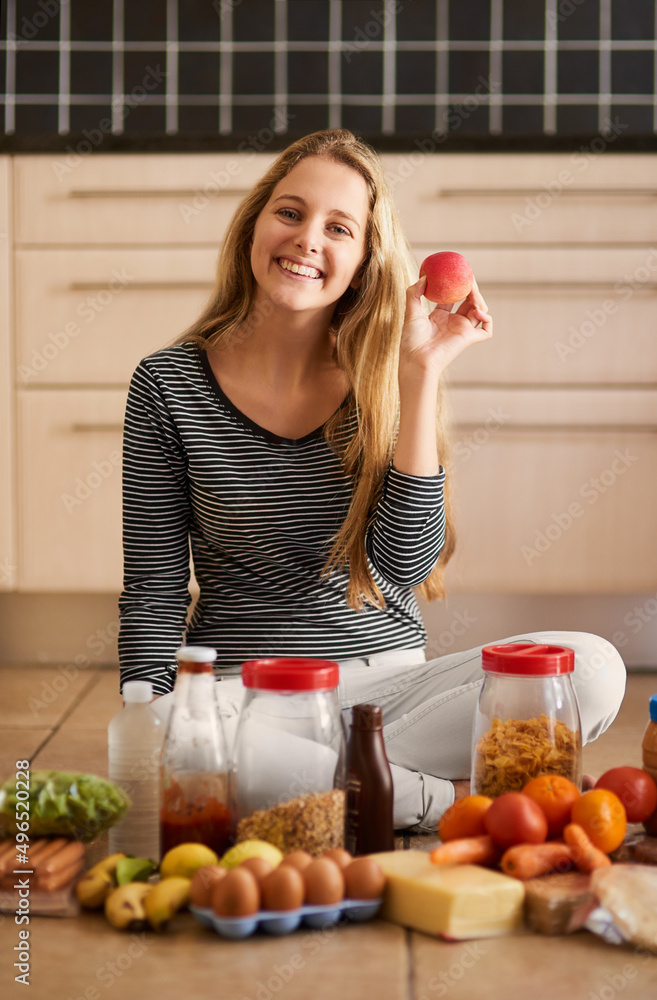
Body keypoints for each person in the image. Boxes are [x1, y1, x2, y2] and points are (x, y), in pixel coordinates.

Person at [118, 129, 626, 829]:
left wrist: (421, 373)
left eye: (338, 228)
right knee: (222, 745)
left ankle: (345, 792)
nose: (306, 241)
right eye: (289, 213)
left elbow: (401, 564)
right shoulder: (167, 383)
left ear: (360, 262)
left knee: (593, 667)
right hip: (247, 695)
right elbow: (153, 585)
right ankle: (450, 800)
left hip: (388, 687)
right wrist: (150, 720)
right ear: (253, 226)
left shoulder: (390, 373)